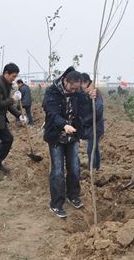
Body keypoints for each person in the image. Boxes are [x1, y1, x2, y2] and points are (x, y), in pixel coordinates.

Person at [43, 68, 95, 218]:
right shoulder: (52, 92)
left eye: (77, 89)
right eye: (72, 88)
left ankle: (73, 195)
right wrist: (64, 125)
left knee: (74, 167)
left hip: (73, 136)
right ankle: (56, 203)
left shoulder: (77, 92)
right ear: (65, 81)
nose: (74, 91)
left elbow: (85, 102)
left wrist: (91, 96)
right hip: (56, 137)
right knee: (58, 171)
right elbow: (51, 113)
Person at [80, 73, 104, 170]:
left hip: (94, 126)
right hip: (90, 126)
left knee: (91, 149)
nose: (80, 86)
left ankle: (93, 168)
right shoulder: (86, 93)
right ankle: (97, 167)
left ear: (86, 82)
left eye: (81, 83)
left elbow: (98, 111)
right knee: (95, 147)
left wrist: (85, 121)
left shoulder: (95, 93)